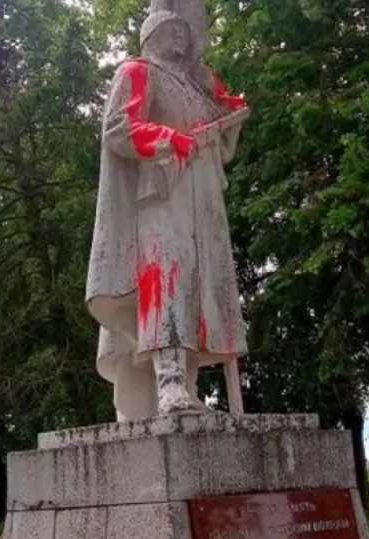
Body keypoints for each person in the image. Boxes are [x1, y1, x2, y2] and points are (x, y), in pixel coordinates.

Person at [86, 7, 250, 420]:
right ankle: (168, 383)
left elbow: (220, 139)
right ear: (151, 36)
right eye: (171, 29)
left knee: (199, 289)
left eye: (183, 30)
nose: (180, 37)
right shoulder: (139, 72)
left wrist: (227, 119)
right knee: (167, 281)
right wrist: (168, 139)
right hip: (161, 195)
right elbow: (117, 128)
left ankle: (188, 389)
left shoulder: (196, 85)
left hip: (205, 199)